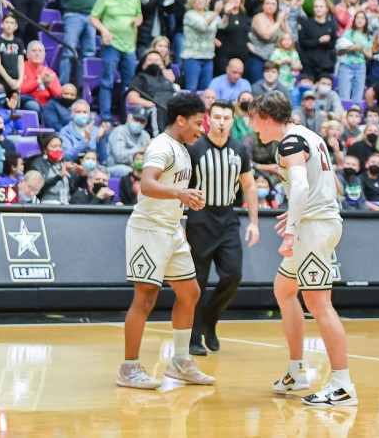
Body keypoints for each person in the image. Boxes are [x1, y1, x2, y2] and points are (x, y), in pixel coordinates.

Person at [249, 90, 357, 407]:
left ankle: (342, 385)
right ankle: (296, 371)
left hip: (314, 229)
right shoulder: (306, 135)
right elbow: (316, 178)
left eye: (255, 121)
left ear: (268, 117)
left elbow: (300, 186)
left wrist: (292, 230)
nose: (255, 128)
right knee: (284, 289)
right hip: (318, 221)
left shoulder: (289, 142)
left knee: (319, 304)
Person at [118, 93, 215, 390]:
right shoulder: (161, 145)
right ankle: (129, 368)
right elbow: (147, 184)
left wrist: (181, 211)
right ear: (181, 120)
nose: (203, 129)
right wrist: (181, 195)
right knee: (145, 297)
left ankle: (181, 362)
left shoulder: (183, 149)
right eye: (199, 123)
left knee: (190, 293)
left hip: (171, 229)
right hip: (148, 229)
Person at [186, 100, 260, 356]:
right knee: (198, 281)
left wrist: (254, 222)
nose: (221, 122)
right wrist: (181, 223)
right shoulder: (194, 147)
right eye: (216, 117)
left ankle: (210, 318)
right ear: (209, 119)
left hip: (228, 217)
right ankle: (194, 336)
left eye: (226, 118)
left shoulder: (240, 149)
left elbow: (249, 186)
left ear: (232, 121)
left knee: (233, 275)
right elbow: (183, 188)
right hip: (200, 217)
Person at [91, 0, 143, 121]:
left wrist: (138, 20)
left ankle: (126, 116)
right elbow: (94, 18)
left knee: (130, 84)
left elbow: (139, 15)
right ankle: (106, 116)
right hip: (111, 44)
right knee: (107, 81)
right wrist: (103, 30)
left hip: (129, 46)